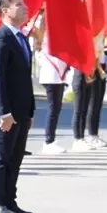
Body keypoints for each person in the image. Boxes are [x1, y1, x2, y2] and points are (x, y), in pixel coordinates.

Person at [0, 0, 36, 213]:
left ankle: (10, 201)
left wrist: (30, 109)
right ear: (5, 11)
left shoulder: (21, 38)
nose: (24, 7)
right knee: (1, 156)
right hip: (5, 112)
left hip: (21, 110)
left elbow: (25, 77)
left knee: (15, 158)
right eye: (18, 4)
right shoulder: (0, 38)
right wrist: (3, 111)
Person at [34, 16, 69, 155]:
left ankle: (50, 140)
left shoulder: (49, 36)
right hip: (51, 75)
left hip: (55, 75)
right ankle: (48, 141)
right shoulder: (48, 37)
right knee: (53, 108)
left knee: (56, 108)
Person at [69, 36, 107, 152]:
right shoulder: (78, 50)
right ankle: (77, 138)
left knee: (85, 109)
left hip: (88, 76)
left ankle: (82, 137)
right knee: (79, 109)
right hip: (80, 77)